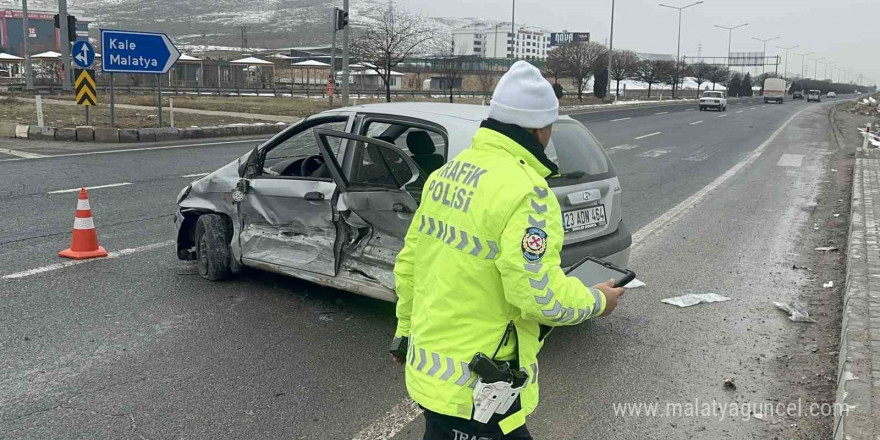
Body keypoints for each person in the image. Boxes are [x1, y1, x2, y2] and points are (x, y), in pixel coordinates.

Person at [392, 60, 626, 440]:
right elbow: (536, 295)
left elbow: (408, 267)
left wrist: (403, 332)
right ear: (539, 128)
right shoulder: (528, 192)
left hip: (431, 375)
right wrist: (597, 300)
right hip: (481, 386)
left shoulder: (445, 175)